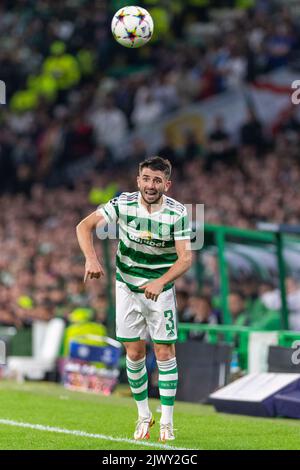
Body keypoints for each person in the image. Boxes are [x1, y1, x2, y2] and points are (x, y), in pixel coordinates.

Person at [76, 156, 192, 442]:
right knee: (135, 353)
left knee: (165, 353)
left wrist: (162, 281)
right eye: (146, 179)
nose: (151, 185)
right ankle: (143, 415)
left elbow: (186, 258)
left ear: (167, 183)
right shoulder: (122, 204)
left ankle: (167, 420)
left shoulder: (178, 213)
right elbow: (84, 226)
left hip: (160, 291)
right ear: (138, 180)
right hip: (127, 286)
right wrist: (91, 259)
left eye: (157, 180)